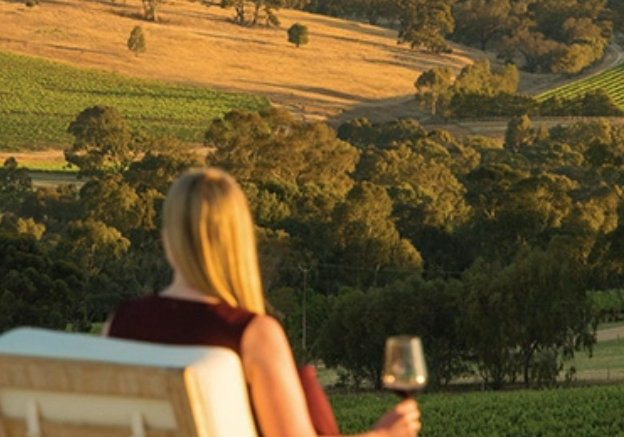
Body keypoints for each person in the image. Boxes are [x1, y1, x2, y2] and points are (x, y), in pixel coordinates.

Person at [105, 168, 421, 437]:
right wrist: (382, 433)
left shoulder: (120, 323)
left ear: (167, 239)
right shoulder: (252, 333)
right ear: (240, 242)